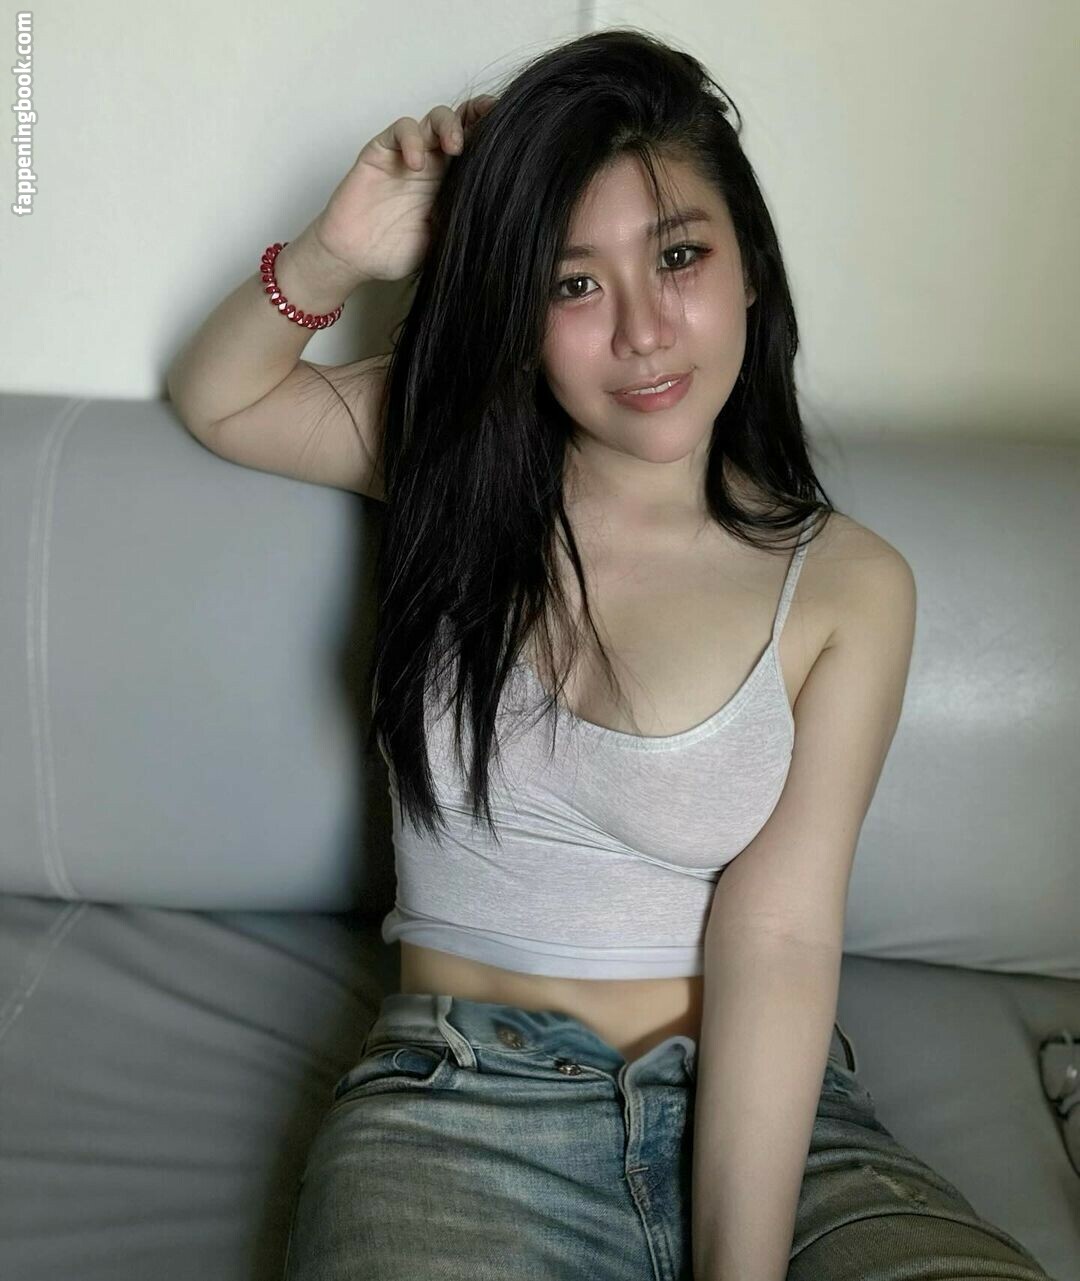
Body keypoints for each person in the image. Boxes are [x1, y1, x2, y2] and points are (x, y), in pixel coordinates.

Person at [166, 28, 1054, 1281]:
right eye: (573, 284)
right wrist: (336, 251)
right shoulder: (448, 463)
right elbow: (223, 397)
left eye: (680, 256)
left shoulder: (848, 587)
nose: (644, 331)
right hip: (462, 1112)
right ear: (518, 315)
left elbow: (781, 941)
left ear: (752, 269)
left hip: (785, 1134)